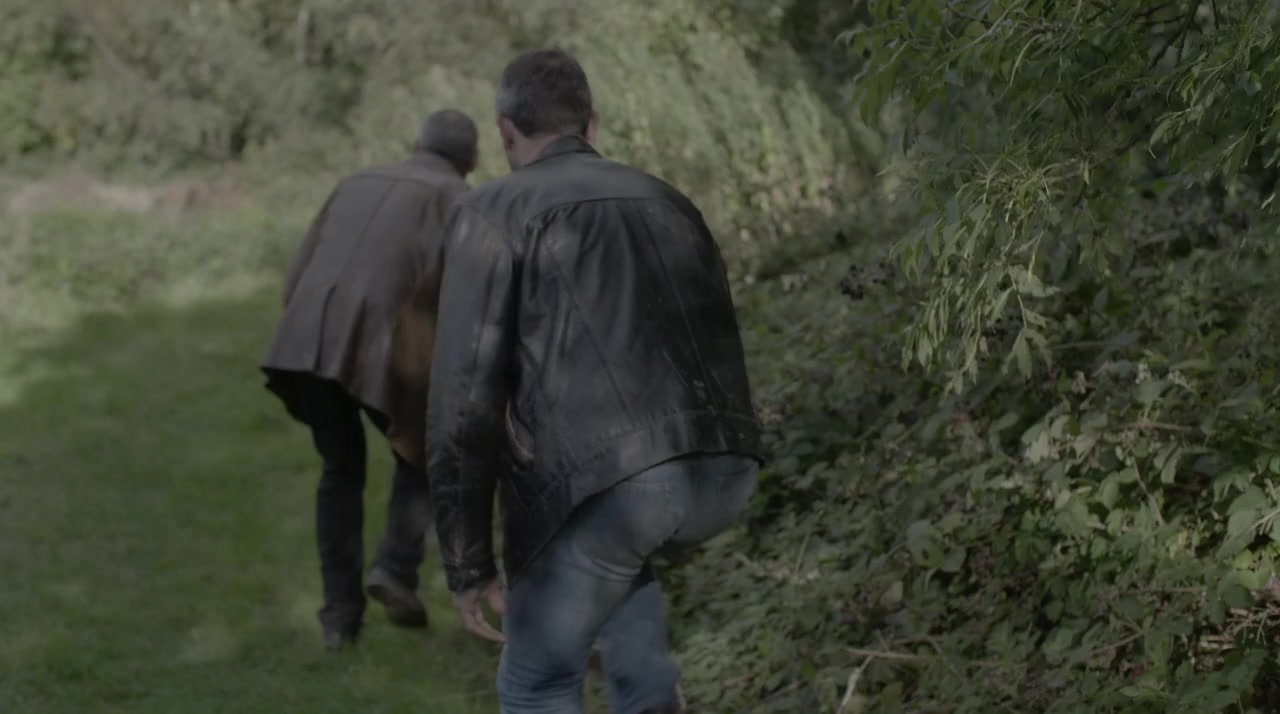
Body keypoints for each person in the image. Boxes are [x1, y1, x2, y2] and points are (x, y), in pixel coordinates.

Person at [426, 50, 764, 714]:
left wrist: (468, 566)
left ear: (504, 130)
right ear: (592, 123)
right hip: (722, 471)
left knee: (538, 683)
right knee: (620, 568)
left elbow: (462, 404)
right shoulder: (669, 199)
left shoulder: (492, 211)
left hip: (615, 484)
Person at [260, 109, 479, 650]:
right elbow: (468, 298)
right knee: (427, 455)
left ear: (416, 145)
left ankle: (339, 619)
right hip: (384, 346)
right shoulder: (462, 199)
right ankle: (396, 570)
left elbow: (298, 270)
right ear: (472, 160)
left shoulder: (356, 180)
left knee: (340, 471)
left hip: (309, 337)